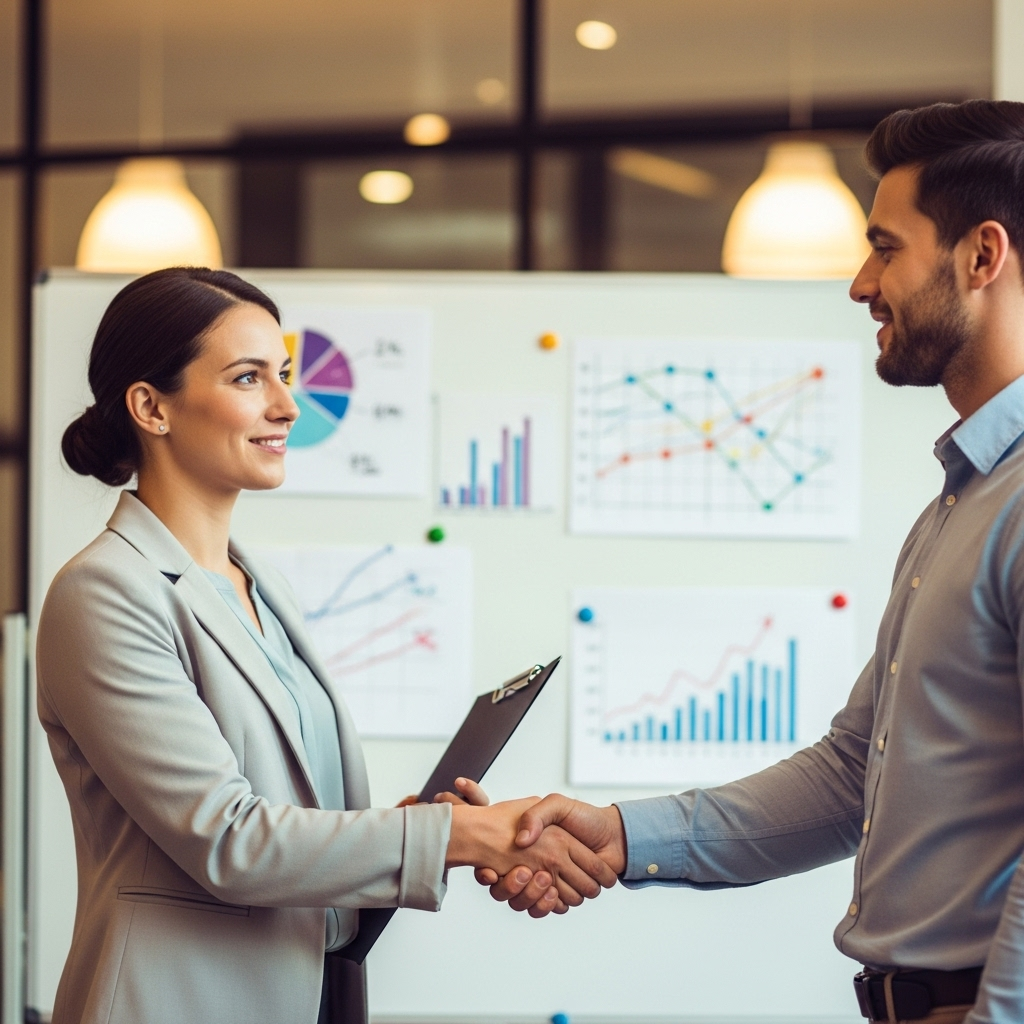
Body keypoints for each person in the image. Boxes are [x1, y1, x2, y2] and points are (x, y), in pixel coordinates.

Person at [480, 100, 1024, 1024]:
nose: (860, 284)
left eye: (885, 247)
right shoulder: (964, 500)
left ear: (982, 256)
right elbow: (856, 771)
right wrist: (619, 837)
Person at [37, 267, 616, 1024]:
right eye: (250, 378)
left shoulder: (259, 583)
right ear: (151, 406)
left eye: (283, 375)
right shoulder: (106, 591)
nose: (287, 405)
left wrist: (422, 824)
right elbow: (229, 841)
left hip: (307, 995)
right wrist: (463, 835)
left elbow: (289, 819)